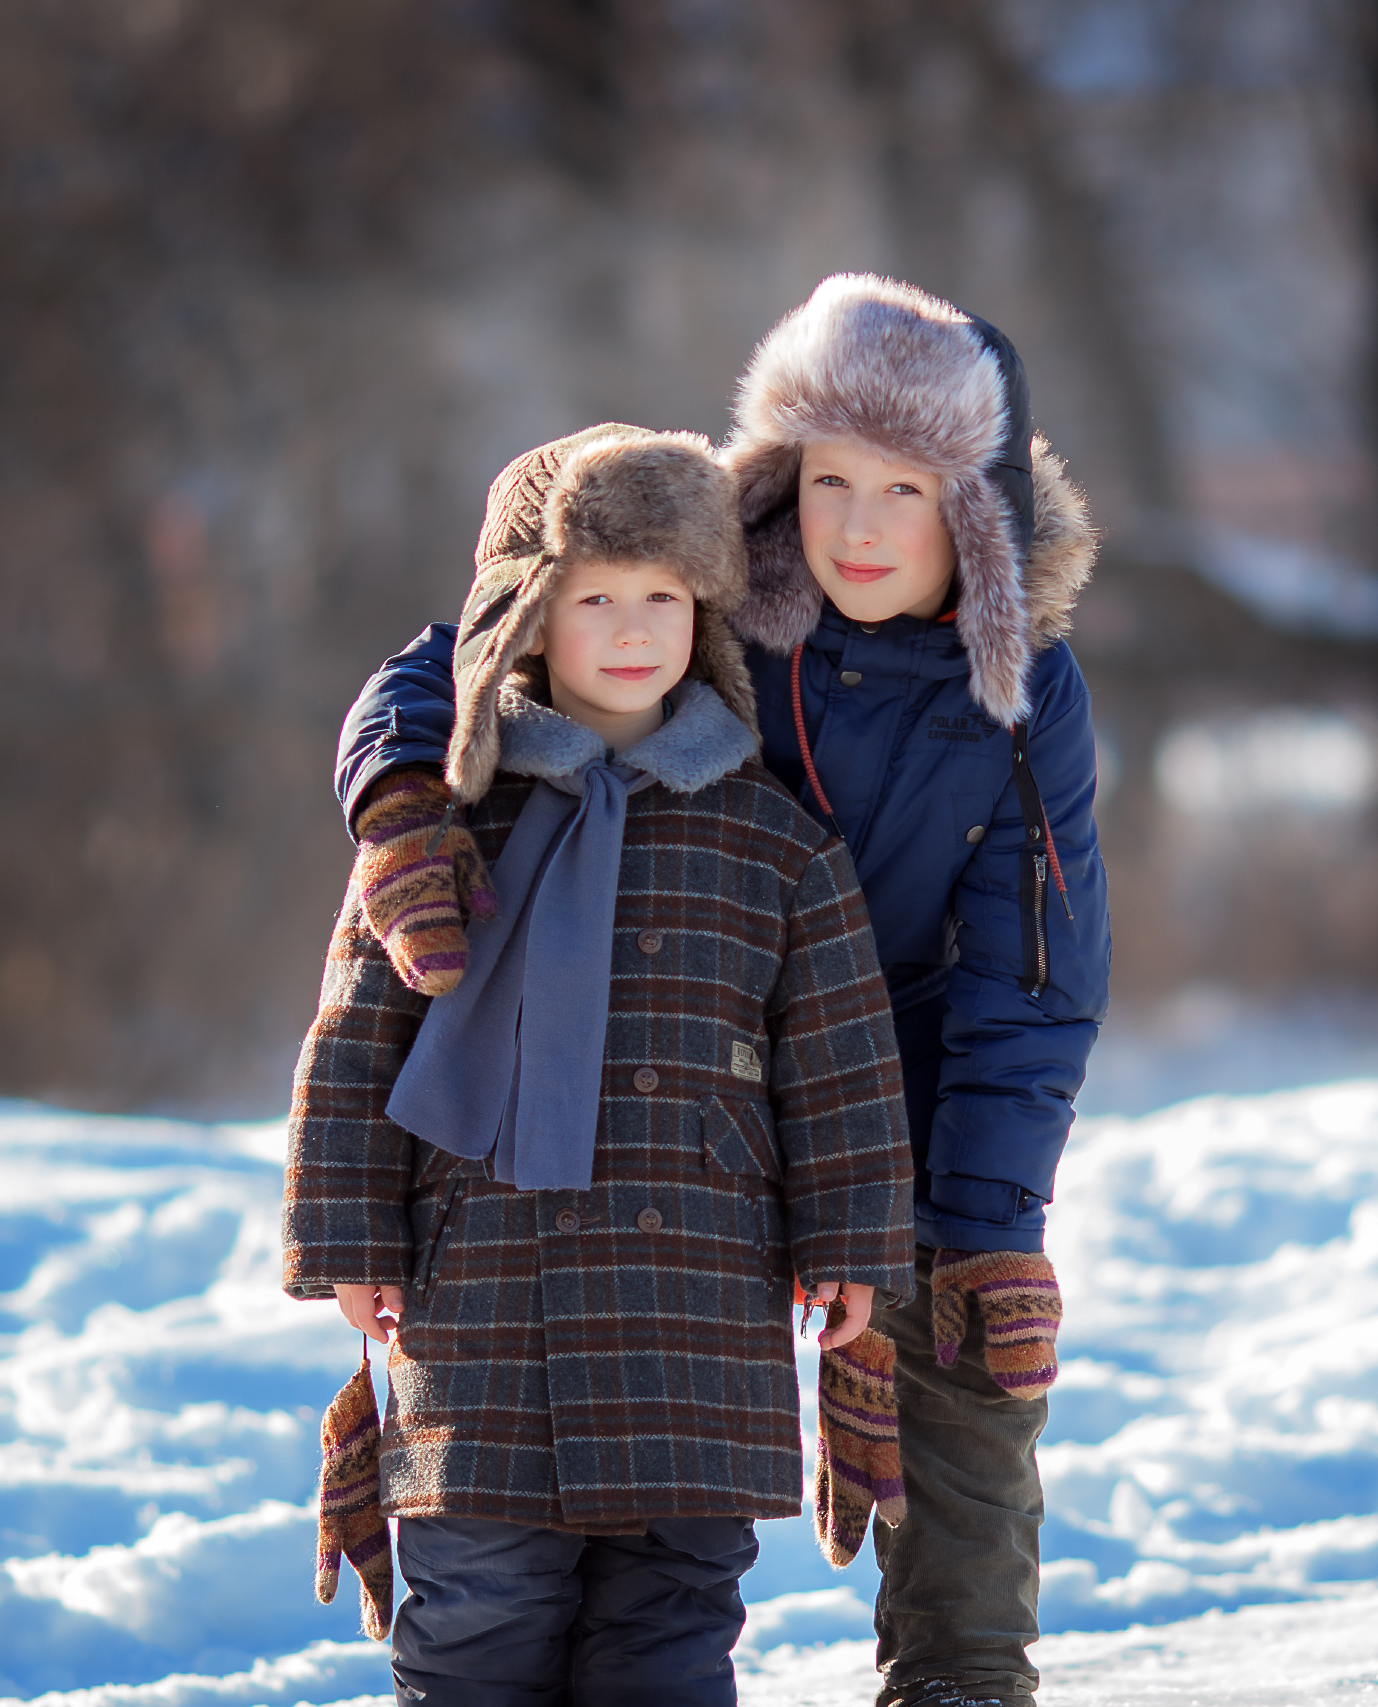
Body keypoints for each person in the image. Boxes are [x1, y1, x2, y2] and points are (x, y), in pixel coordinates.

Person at [330, 276, 1110, 1707]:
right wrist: (396, 800)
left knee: (969, 1363)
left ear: (974, 510)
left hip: (911, 1068)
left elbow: (1035, 966)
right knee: (632, 1449)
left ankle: (959, 1677)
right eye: (828, 481)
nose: (857, 526)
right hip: (704, 1064)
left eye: (903, 489)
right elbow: (468, 645)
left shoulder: (1022, 692)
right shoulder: (712, 592)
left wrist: (991, 1221)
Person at [284, 421, 915, 1707]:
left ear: (707, 614)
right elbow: (355, 1037)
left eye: (664, 599)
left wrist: (851, 1244)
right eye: (594, 600)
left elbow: (838, 1059)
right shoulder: (445, 828)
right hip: (481, 1289)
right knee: (475, 1613)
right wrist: (351, 1238)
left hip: (698, 1294)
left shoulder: (772, 840)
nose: (634, 630)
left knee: (671, 1623)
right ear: (525, 618)